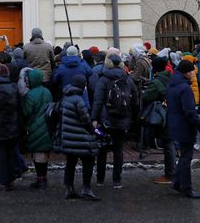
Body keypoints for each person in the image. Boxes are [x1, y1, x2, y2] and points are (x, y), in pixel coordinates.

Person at [91, 54, 137, 189]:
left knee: (102, 149)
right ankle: (117, 180)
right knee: (118, 150)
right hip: (123, 119)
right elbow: (135, 99)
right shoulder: (127, 78)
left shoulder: (104, 79)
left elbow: (98, 100)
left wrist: (94, 118)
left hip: (106, 120)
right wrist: (132, 117)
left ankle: (100, 179)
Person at [166, 60, 200, 199]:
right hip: (184, 126)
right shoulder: (185, 88)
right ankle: (186, 188)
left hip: (174, 124)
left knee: (183, 156)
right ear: (186, 72)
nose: (193, 74)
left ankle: (177, 182)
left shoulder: (172, 84)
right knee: (186, 158)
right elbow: (189, 112)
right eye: (192, 72)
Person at [60, 73, 99, 200]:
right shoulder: (79, 100)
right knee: (88, 161)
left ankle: (69, 189)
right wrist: (93, 130)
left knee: (70, 163)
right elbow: (86, 121)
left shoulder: (66, 97)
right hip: (81, 138)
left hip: (69, 137)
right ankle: (86, 189)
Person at [143, 55, 176, 184]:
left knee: (168, 144)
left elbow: (146, 98)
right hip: (174, 114)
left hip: (165, 116)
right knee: (170, 143)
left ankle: (170, 175)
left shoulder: (157, 81)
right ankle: (171, 173)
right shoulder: (171, 77)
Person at [22, 68, 53, 190]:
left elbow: (27, 112)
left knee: (38, 154)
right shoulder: (47, 92)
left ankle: (41, 180)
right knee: (43, 154)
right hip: (46, 125)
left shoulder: (30, 94)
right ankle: (43, 178)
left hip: (34, 126)